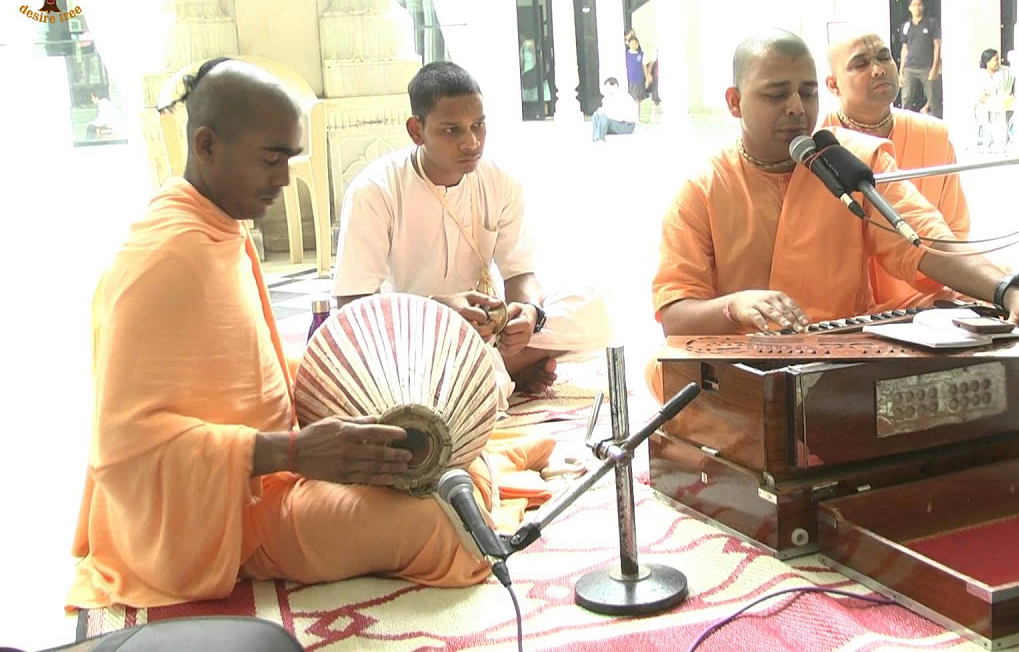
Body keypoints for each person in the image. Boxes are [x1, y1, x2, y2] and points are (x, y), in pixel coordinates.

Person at [68, 58, 555, 610]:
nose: (285, 177)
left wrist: (335, 402)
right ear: (206, 146)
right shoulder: (164, 257)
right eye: (272, 157)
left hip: (276, 461)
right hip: (225, 514)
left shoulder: (214, 227)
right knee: (447, 529)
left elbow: (250, 375)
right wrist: (293, 451)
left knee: (438, 452)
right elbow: (121, 451)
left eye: (291, 158)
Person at [647, 30, 1019, 395]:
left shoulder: (851, 162)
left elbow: (926, 242)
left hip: (844, 353)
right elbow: (675, 314)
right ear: (735, 102)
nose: (797, 106)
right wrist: (734, 306)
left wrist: (1011, 293)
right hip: (744, 366)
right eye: (777, 94)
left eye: (808, 92)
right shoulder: (702, 189)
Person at [333, 61, 610, 404]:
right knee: (462, 384)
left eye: (478, 125)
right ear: (415, 131)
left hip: (485, 332)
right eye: (452, 130)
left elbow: (521, 273)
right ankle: (497, 373)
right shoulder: (375, 191)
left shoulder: (500, 181)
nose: (471, 142)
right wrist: (438, 309)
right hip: (413, 341)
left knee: (589, 303)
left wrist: (528, 313)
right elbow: (351, 309)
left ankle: (490, 371)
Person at [823, 31, 970, 308]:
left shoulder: (933, 135)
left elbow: (955, 230)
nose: (878, 70)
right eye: (860, 64)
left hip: (924, 300)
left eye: (883, 57)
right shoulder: (821, 146)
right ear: (834, 85)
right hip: (845, 312)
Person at [898, 0, 943, 118]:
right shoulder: (906, 26)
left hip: (927, 68)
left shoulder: (931, 23)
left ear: (923, 7)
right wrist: (901, 71)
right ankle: (905, 129)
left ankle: (937, 129)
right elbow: (904, 49)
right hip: (910, 68)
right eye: (914, 5)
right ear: (909, 8)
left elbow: (937, 45)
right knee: (906, 100)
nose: (917, 8)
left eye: (919, 5)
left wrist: (935, 68)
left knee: (934, 101)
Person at [975, 49, 1015, 152]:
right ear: (987, 62)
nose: (998, 62)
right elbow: (980, 95)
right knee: (987, 133)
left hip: (1001, 107)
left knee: (1001, 133)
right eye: (995, 60)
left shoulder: (1005, 71)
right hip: (985, 109)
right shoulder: (979, 75)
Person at [592, 77, 638, 142]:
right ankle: (596, 138)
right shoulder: (611, 97)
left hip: (627, 125)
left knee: (603, 117)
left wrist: (605, 113)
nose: (607, 91)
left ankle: (600, 138)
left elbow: (620, 117)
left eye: (608, 88)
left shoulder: (623, 97)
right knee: (596, 115)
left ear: (615, 86)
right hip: (618, 123)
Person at [625, 33, 647, 109]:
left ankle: (637, 115)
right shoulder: (626, 54)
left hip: (638, 80)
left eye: (635, 44)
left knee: (638, 99)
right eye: (632, 44)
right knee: (630, 98)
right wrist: (629, 36)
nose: (633, 45)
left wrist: (646, 78)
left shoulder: (641, 55)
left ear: (637, 45)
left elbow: (644, 66)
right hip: (629, 79)